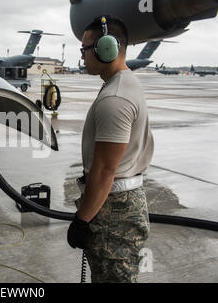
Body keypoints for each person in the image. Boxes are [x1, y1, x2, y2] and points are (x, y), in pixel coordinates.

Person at [67, 16, 154, 283]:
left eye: (85, 48)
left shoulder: (115, 98)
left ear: (107, 48)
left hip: (114, 211)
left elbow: (105, 170)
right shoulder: (122, 84)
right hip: (117, 204)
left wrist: (82, 220)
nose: (81, 55)